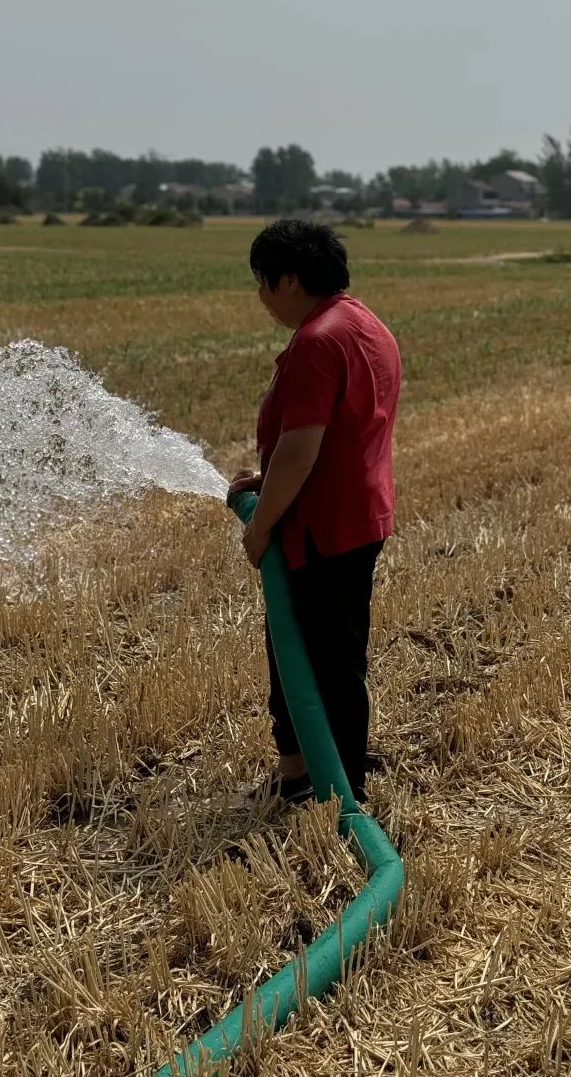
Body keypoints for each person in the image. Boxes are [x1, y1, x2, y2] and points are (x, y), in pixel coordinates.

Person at [229, 219, 401, 807]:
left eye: (263, 282)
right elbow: (330, 437)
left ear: (292, 279)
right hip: (357, 517)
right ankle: (302, 770)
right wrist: (268, 476)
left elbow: (301, 453)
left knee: (322, 661)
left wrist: (260, 525)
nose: (261, 296)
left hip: (324, 530)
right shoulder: (361, 322)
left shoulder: (316, 343)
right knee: (313, 649)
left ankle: (336, 790)